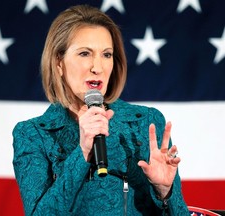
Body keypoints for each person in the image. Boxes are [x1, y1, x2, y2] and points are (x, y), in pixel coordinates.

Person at [12, 4, 190, 216]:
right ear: (59, 62)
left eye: (106, 55)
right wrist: (82, 153)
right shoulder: (33, 134)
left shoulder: (146, 122)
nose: (97, 67)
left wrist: (165, 191)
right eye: (85, 53)